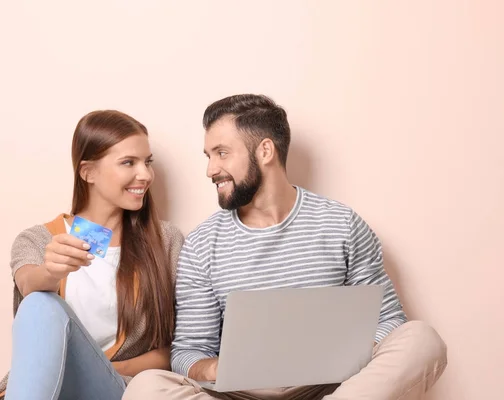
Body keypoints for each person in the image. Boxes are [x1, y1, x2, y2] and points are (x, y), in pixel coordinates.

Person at [124, 94, 448, 400]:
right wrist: (217, 367)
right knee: (148, 387)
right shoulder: (202, 244)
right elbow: (188, 352)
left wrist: (343, 357)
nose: (211, 169)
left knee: (422, 340)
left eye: (222, 153)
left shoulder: (341, 224)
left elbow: (389, 319)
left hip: (334, 388)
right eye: (209, 156)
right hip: (243, 392)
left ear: (265, 151)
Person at [0, 110, 184, 400]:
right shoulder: (38, 239)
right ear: (88, 172)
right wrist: (51, 272)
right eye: (128, 163)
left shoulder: (166, 241)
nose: (145, 174)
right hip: (49, 387)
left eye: (147, 162)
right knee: (39, 302)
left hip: (115, 387)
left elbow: (177, 347)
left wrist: (100, 367)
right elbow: (28, 285)